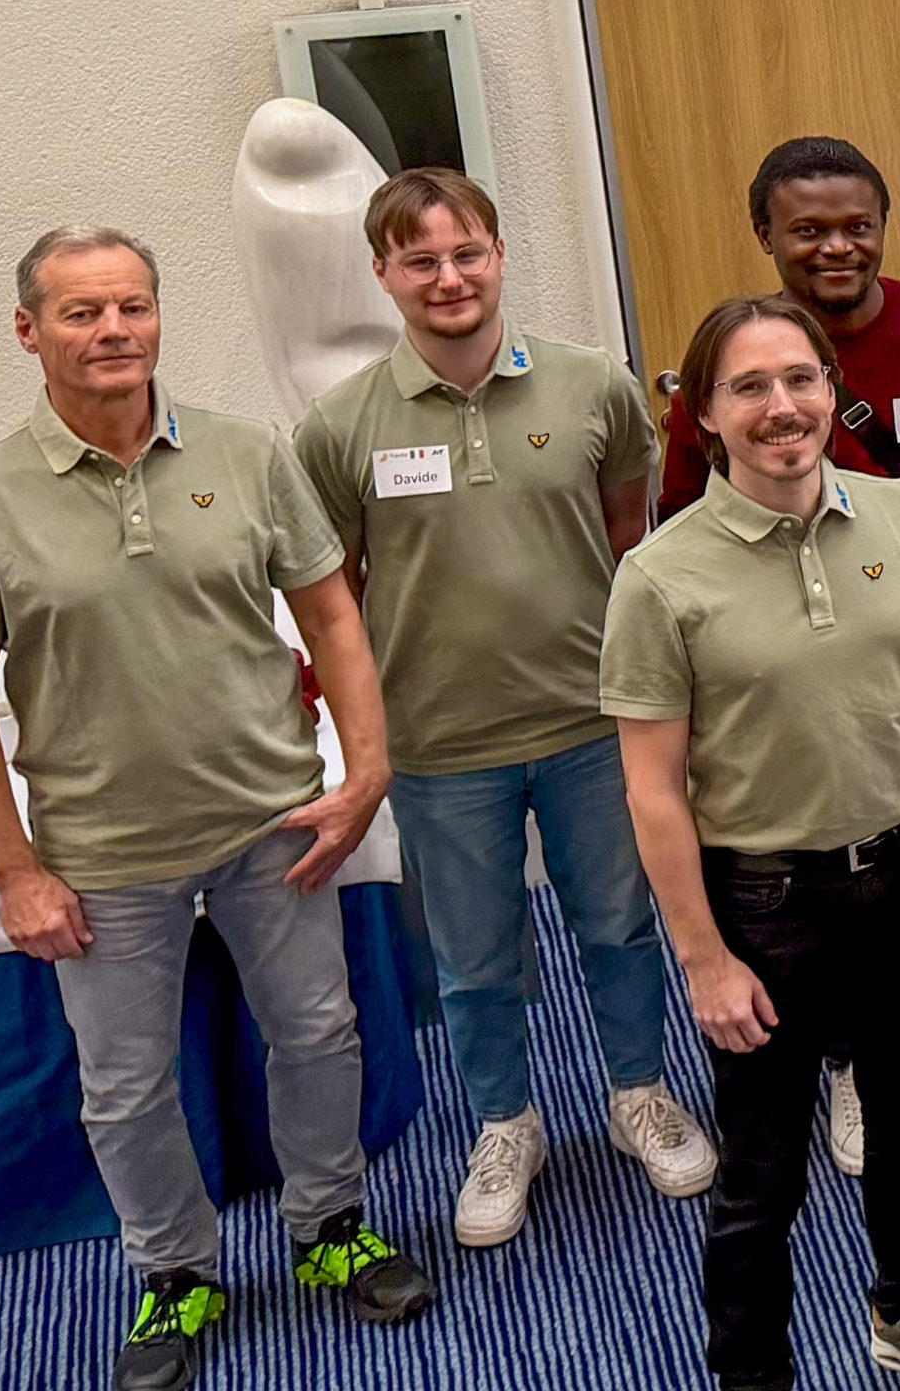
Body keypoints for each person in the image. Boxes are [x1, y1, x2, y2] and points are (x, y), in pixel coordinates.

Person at [0, 226, 437, 1391]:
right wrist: (13, 871)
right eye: (83, 311)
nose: (114, 330)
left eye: (133, 306)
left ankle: (329, 1225)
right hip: (103, 852)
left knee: (319, 1033)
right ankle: (175, 1272)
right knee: (126, 1086)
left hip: (272, 821)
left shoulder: (247, 453)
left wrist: (367, 769)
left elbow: (333, 616)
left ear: (157, 315)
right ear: (28, 330)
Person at [604, 295, 900, 1391]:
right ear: (705, 412)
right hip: (767, 906)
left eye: (800, 378)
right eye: (749, 386)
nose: (781, 406)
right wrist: (703, 958)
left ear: (830, 390)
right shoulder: (660, 574)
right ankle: (754, 1382)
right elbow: (653, 788)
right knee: (766, 1169)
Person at [288, 168, 708, 1249]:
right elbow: (335, 598)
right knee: (474, 959)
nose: (449, 277)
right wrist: (364, 747)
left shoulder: (594, 388)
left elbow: (628, 543)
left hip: (592, 725)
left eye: (467, 252)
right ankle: (505, 1124)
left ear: (501, 255)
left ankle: (639, 1094)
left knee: (619, 925)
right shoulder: (338, 427)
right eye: (420, 259)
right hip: (441, 744)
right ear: (382, 274)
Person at [660, 136, 900, 515]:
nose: (838, 247)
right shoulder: (729, 360)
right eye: (809, 231)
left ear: (882, 227)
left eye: (859, 227)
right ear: (765, 236)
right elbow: (685, 518)